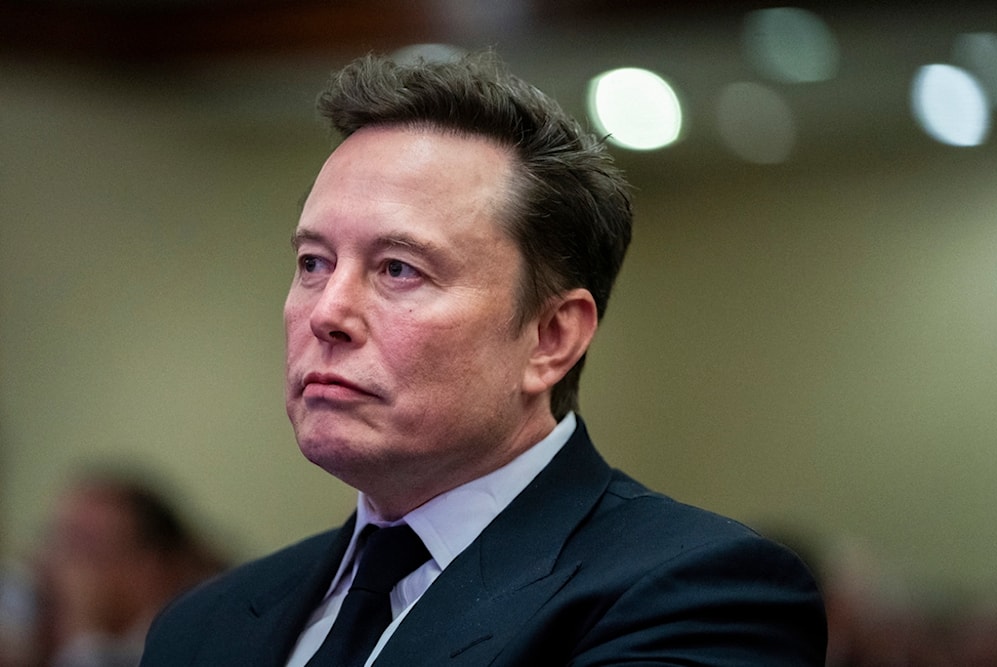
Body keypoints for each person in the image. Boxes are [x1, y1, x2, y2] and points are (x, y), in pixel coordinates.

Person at [140, 50, 827, 666]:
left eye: (399, 269)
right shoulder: (202, 625)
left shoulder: (699, 597)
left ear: (551, 337)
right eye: (314, 261)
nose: (326, 312)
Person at [32, 472, 226, 667]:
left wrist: (82, 636)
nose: (55, 565)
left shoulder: (191, 644)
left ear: (149, 566)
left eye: (82, 548)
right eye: (55, 543)